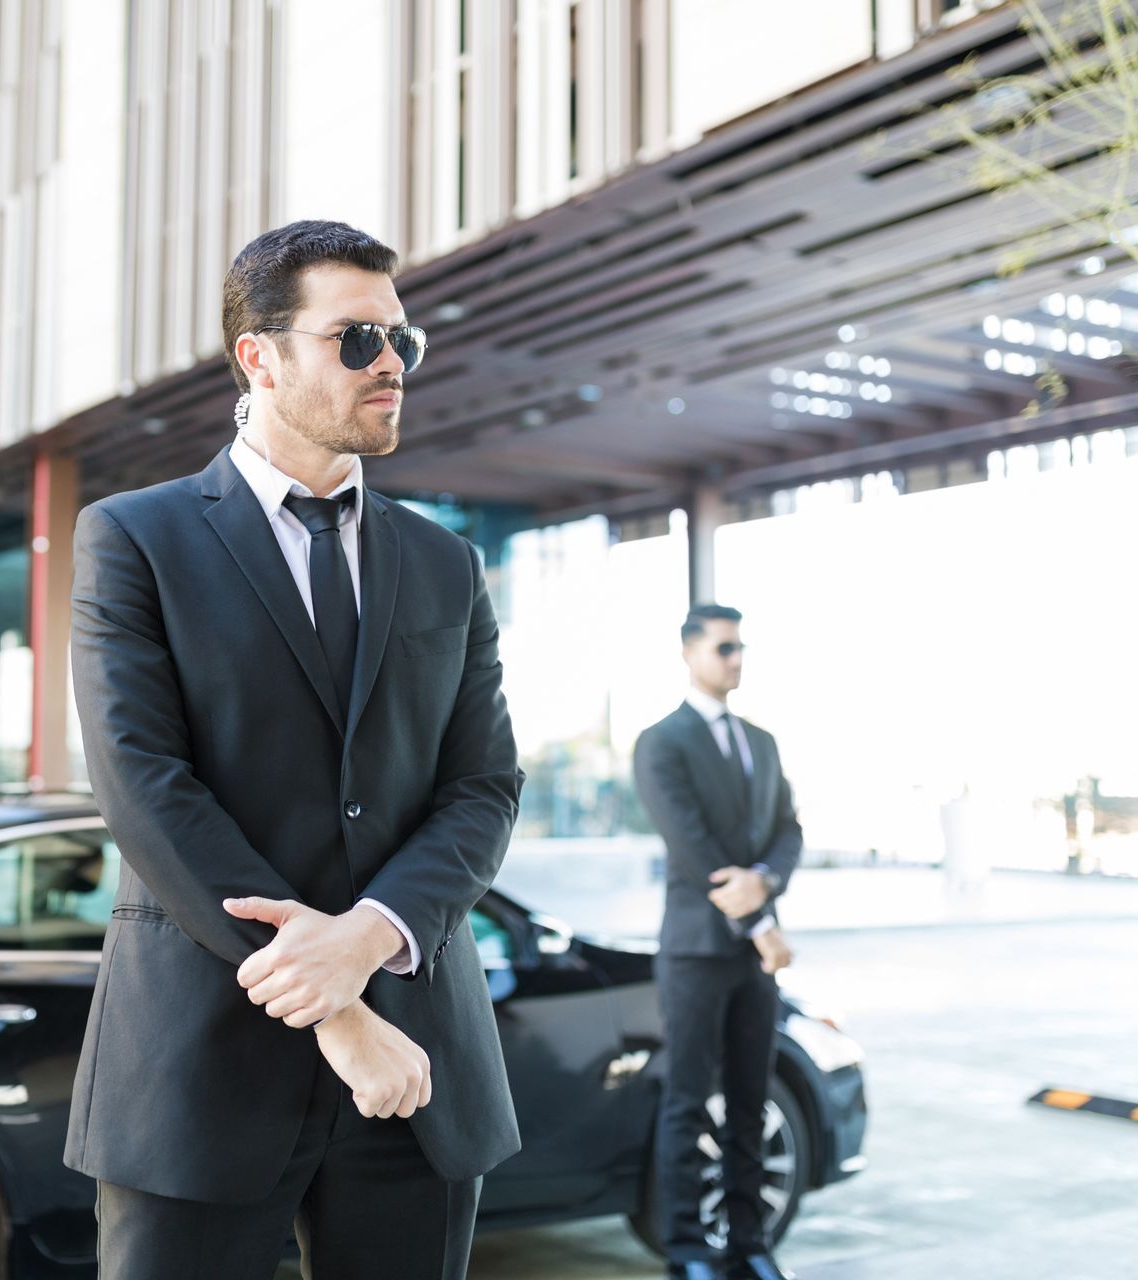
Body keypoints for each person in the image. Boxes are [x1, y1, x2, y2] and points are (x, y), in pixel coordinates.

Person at [64, 219, 524, 1280]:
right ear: (258, 357)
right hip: (197, 1070)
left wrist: (369, 937)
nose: (391, 367)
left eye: (404, 343)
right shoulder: (134, 538)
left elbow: (483, 786)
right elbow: (145, 790)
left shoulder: (448, 563)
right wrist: (335, 1006)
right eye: (356, 339)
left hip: (416, 1071)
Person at [633, 604, 802, 1280]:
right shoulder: (661, 741)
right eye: (725, 648)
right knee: (686, 1099)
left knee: (750, 1100)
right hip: (699, 954)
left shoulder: (761, 741)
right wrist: (761, 925)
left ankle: (748, 1242)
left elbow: (789, 829)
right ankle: (686, 1248)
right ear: (690, 653)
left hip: (752, 960)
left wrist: (764, 881)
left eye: (741, 648)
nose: (737, 659)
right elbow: (694, 849)